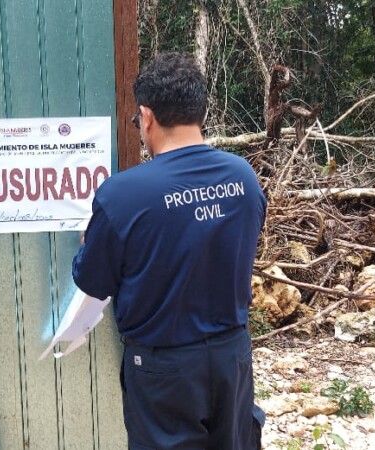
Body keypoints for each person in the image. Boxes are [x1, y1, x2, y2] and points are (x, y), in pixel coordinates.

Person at [72, 52, 267, 449]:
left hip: (164, 369)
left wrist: (91, 246)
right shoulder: (243, 178)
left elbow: (93, 281)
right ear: (201, 111)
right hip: (232, 357)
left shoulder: (123, 195)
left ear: (146, 116)